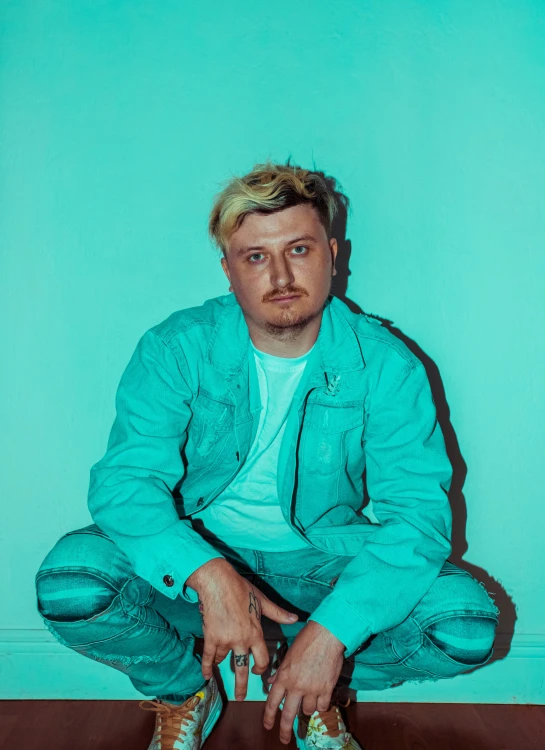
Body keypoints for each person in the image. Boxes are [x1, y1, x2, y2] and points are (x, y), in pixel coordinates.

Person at [35, 161, 500, 750]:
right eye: (255, 256)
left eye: (299, 248)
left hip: (320, 567)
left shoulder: (387, 366)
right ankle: (185, 690)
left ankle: (309, 686)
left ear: (333, 252)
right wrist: (208, 576)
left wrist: (332, 633)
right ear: (229, 271)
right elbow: (124, 484)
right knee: (72, 584)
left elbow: (418, 519)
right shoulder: (177, 348)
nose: (280, 274)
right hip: (197, 563)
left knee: (463, 624)